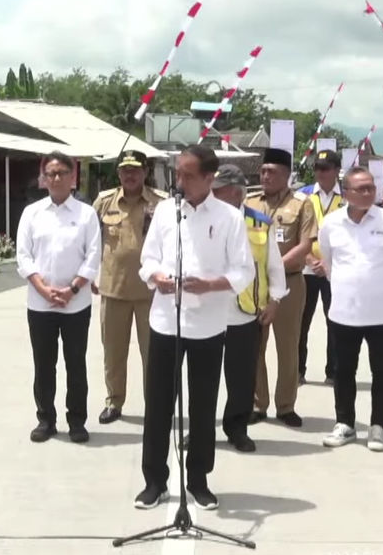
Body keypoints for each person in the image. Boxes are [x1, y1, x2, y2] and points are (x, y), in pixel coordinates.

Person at [135, 146, 255, 511]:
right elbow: (148, 259)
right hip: (166, 321)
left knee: (202, 407)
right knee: (158, 405)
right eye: (177, 174)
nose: (180, 182)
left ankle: (198, 480)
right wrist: (156, 276)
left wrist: (211, 284)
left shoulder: (230, 218)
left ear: (209, 178)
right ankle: (154, 481)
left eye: (188, 175)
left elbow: (243, 271)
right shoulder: (165, 213)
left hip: (208, 324)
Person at [318, 167, 383, 451]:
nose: (370, 192)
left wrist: (375, 286)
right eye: (363, 188)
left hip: (382, 313)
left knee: (381, 371)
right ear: (346, 193)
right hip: (344, 312)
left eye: (372, 187)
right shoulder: (331, 223)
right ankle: (345, 424)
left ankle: (378, 426)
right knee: (343, 369)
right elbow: (328, 262)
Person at [16, 151, 102, 444]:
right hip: (40, 304)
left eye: (61, 173)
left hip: (76, 304)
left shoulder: (86, 214)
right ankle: (46, 419)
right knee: (44, 364)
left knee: (75, 363)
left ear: (72, 177)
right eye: (50, 173)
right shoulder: (32, 213)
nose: (55, 178)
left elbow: (93, 258)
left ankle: (77, 420)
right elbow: (23, 256)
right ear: (43, 178)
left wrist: (73, 289)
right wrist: (42, 288)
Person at [212, 165, 287, 453]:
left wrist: (275, 300)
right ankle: (202, 429)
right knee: (202, 378)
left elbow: (274, 266)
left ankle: (237, 428)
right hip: (207, 312)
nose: (212, 194)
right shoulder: (201, 218)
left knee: (242, 377)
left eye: (218, 189)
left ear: (235, 192)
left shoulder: (260, 223)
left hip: (244, 313)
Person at [91, 150, 167, 424]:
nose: (130, 175)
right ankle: (114, 401)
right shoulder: (104, 202)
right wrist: (88, 273)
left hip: (152, 293)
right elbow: (89, 241)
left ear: (145, 172)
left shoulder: (162, 204)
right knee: (113, 352)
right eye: (125, 170)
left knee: (154, 355)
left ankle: (156, 405)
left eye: (135, 169)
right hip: (113, 290)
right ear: (118, 173)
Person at [245, 148, 315, 427]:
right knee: (254, 347)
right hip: (254, 287)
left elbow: (306, 244)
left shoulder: (302, 204)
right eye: (263, 171)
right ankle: (257, 404)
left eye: (271, 172)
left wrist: (273, 267)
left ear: (287, 175)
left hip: (290, 283)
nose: (265, 176)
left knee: (288, 346)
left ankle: (286, 405)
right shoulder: (250, 202)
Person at [298, 150, 345, 385]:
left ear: (337, 170)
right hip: (306, 269)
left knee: (335, 322)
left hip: (335, 271)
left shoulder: (347, 198)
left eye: (325, 168)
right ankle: (298, 371)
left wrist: (328, 263)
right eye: (317, 168)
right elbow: (293, 232)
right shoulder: (302, 196)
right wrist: (308, 257)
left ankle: (333, 371)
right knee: (300, 322)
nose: (320, 173)